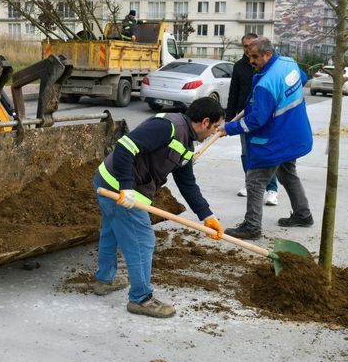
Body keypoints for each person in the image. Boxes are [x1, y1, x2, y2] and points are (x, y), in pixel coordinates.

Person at [92, 97, 225, 318]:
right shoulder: (168, 127)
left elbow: (187, 183)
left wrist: (206, 215)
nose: (214, 133)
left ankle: (104, 280)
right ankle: (141, 299)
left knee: (111, 232)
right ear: (205, 122)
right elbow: (125, 145)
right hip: (118, 188)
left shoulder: (187, 143)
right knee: (142, 241)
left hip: (110, 182)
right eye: (215, 127)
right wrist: (126, 188)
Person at [220, 37, 314, 240]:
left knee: (255, 180)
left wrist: (229, 128)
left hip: (277, 138)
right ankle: (303, 214)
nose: (251, 60)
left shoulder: (266, 84)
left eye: (255, 57)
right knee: (288, 173)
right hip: (295, 134)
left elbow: (255, 121)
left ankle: (252, 226)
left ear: (268, 54)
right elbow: (302, 79)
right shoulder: (288, 63)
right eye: (248, 56)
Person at [226, 33, 280, 206]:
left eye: (252, 48)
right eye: (245, 47)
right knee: (246, 153)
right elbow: (233, 93)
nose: (249, 52)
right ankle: (250, 183)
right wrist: (229, 120)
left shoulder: (268, 67)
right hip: (244, 116)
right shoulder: (240, 66)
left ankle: (271, 190)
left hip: (265, 117)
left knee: (265, 153)